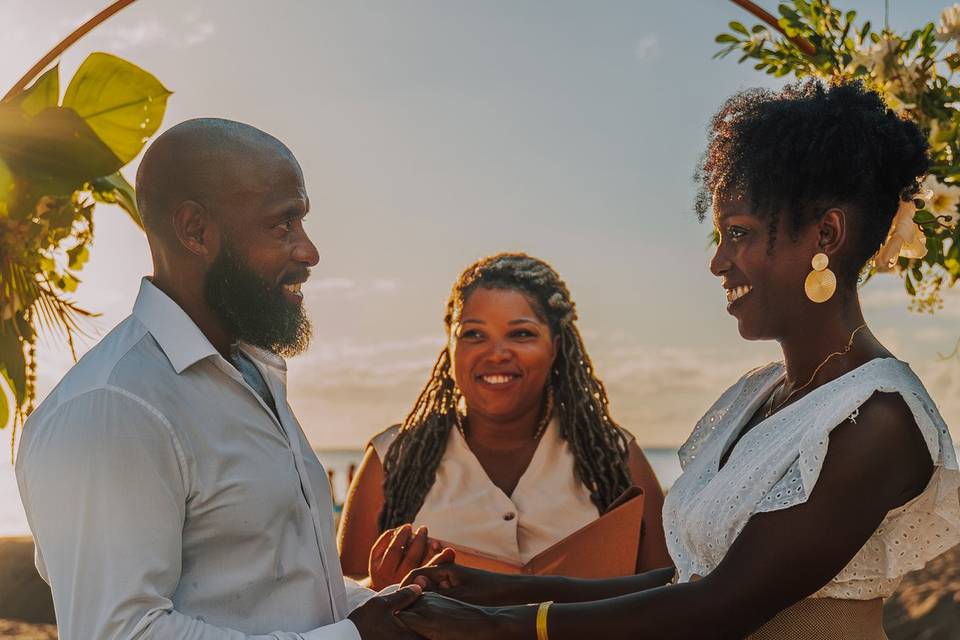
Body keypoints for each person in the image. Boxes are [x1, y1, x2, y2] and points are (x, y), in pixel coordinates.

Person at [389, 81, 960, 639]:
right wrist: (495, 589)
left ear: (826, 235)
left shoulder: (877, 417)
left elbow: (718, 609)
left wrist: (497, 627)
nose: (718, 262)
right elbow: (687, 579)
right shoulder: (760, 395)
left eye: (738, 233)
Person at [15, 119, 423, 639]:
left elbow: (273, 588)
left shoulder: (248, 371)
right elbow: (121, 633)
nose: (309, 251)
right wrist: (357, 636)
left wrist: (393, 603)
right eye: (283, 224)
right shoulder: (113, 406)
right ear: (196, 231)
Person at [338, 253, 670, 588]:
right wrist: (379, 584)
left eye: (521, 334)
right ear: (450, 345)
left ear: (555, 347)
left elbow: (667, 590)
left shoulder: (614, 455)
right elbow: (343, 594)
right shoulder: (392, 458)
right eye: (474, 334)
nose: (496, 353)